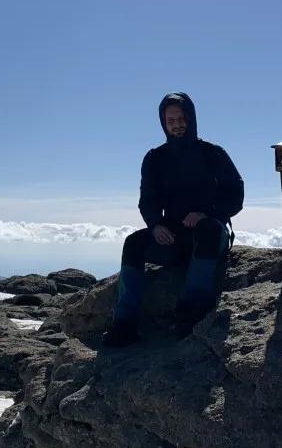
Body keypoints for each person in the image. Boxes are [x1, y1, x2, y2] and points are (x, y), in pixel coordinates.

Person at [101, 92, 244, 347]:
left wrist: (207, 214)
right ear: (163, 123)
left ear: (191, 118)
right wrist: (155, 225)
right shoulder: (155, 159)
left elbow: (236, 193)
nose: (177, 124)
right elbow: (148, 199)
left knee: (208, 230)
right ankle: (123, 324)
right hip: (174, 240)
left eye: (181, 118)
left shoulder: (213, 154)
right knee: (134, 243)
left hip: (210, 235)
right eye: (170, 120)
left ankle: (190, 313)